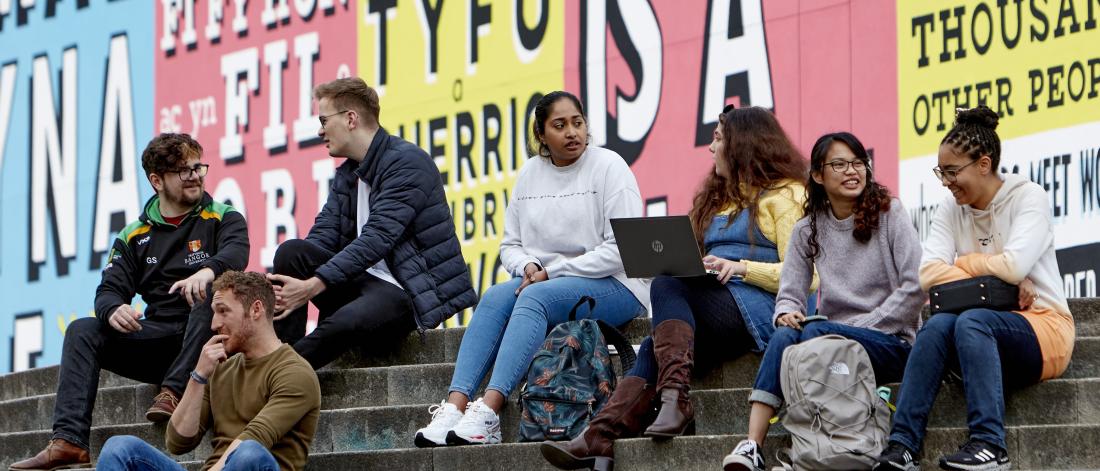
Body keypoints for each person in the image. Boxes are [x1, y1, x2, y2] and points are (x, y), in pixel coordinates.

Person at [541, 105, 815, 470]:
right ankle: (602, 435)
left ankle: (668, 402)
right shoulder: (719, 198)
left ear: (742, 145)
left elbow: (806, 275)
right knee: (657, 338)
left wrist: (741, 267)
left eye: (717, 139)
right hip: (719, 303)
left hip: (764, 306)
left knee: (670, 287)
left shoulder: (787, 195)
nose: (711, 149)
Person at [412, 91, 650, 448]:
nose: (572, 132)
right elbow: (510, 244)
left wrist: (552, 273)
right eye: (560, 125)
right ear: (541, 134)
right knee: (495, 296)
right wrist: (529, 264)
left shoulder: (610, 166)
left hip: (617, 284)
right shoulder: (530, 174)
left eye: (578, 123)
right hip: (548, 282)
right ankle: (454, 407)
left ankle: (490, 412)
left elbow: (621, 251)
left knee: (535, 296)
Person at [10, 134, 249, 471]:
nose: (195, 175)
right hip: (160, 340)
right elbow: (107, 291)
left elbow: (236, 256)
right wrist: (113, 309)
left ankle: (174, 391)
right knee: (82, 330)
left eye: (198, 167)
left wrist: (208, 271)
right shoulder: (133, 235)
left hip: (211, 342)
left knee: (211, 295)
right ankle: (68, 441)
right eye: (184, 170)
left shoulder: (224, 216)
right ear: (157, 181)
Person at [873, 107, 1075, 471]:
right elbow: (927, 275)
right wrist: (998, 280)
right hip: (979, 338)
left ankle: (990, 445)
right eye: (941, 172)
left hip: (1045, 328)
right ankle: (902, 446)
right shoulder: (950, 208)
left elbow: (1014, 266)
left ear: (983, 164)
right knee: (935, 327)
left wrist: (964, 265)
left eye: (952, 172)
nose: (946, 182)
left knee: (971, 322)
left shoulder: (1029, 197)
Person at [722, 131, 925, 470]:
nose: (852, 171)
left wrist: (851, 328)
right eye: (840, 164)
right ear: (818, 175)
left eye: (858, 163)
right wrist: (787, 313)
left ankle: (815, 445)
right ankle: (752, 444)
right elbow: (790, 293)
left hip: (890, 342)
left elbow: (916, 287)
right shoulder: (808, 228)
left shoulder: (890, 213)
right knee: (787, 335)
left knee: (814, 336)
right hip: (828, 342)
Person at [267, 77, 477, 369]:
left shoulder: (407, 163)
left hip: (403, 297)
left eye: (324, 120)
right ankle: (278, 352)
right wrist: (286, 286)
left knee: (345, 321)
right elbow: (322, 238)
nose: (319, 130)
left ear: (350, 118)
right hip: (364, 287)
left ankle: (274, 372)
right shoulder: (348, 173)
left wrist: (313, 285)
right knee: (291, 252)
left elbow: (377, 238)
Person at [96, 271, 321, 471]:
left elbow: (255, 437)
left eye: (223, 311)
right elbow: (177, 442)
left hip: (251, 464)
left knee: (248, 453)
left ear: (256, 310)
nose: (214, 324)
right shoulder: (221, 368)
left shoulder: (295, 373)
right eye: (214, 312)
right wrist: (198, 376)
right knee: (120, 448)